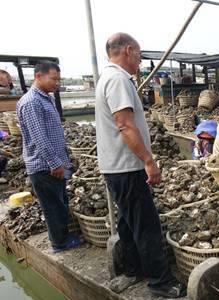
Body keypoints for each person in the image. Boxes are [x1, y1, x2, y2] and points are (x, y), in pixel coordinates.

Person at [95, 32, 186, 298]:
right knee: (146, 225)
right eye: (138, 53)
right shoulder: (118, 79)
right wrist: (148, 160)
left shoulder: (107, 78)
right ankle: (161, 282)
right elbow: (124, 124)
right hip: (127, 167)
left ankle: (133, 269)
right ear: (127, 50)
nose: (140, 59)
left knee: (127, 222)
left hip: (115, 167)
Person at [16, 61, 82, 253]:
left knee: (59, 202)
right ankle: (59, 243)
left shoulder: (46, 98)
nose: (57, 83)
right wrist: (55, 163)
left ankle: (62, 237)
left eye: (58, 79)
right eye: (53, 79)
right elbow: (39, 138)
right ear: (38, 76)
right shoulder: (31, 102)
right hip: (44, 166)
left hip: (54, 163)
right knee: (52, 206)